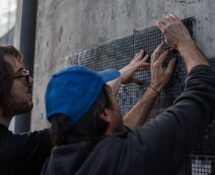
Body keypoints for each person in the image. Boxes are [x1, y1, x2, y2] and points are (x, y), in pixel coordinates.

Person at [41, 13, 215, 175]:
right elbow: (203, 92)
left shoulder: (52, 166)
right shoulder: (126, 159)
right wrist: (183, 42)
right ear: (104, 114)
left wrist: (153, 89)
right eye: (110, 93)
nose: (114, 93)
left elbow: (120, 134)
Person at [0, 41, 165, 174]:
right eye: (21, 74)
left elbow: (108, 137)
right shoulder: (12, 153)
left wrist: (148, 88)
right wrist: (117, 78)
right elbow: (94, 128)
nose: (30, 80)